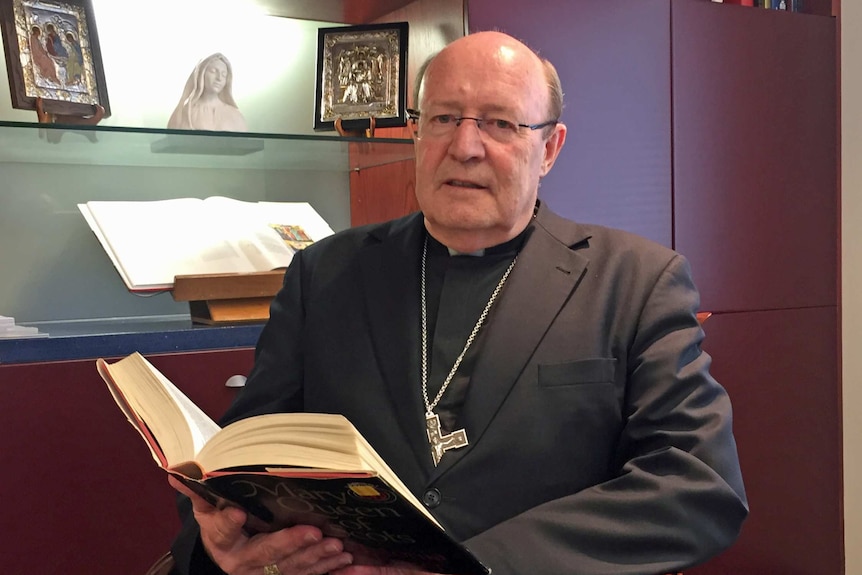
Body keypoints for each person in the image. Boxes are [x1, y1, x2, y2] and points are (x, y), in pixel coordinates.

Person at [169, 30, 748, 575]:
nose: (465, 147)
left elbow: (697, 483)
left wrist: (479, 567)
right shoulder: (324, 273)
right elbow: (239, 461)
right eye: (444, 118)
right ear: (417, 132)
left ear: (549, 147)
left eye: (500, 123)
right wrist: (226, 545)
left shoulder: (637, 282)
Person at [168, 53, 248, 132]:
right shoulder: (185, 113)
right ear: (201, 74)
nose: (219, 78)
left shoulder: (235, 115)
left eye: (224, 75)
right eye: (213, 71)